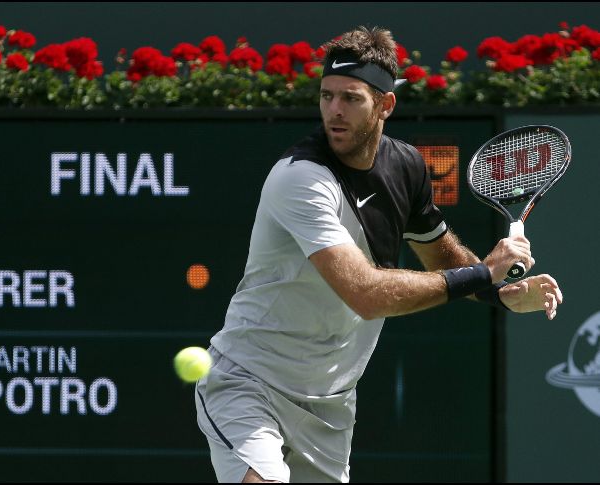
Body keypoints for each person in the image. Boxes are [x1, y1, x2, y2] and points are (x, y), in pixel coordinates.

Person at [193, 25, 564, 483]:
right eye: (327, 96)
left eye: (351, 98)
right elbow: (365, 294)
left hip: (331, 403)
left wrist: (499, 293)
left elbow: (444, 260)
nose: (334, 110)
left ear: (385, 105)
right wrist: (486, 272)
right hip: (250, 381)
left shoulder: (406, 167)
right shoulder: (300, 178)